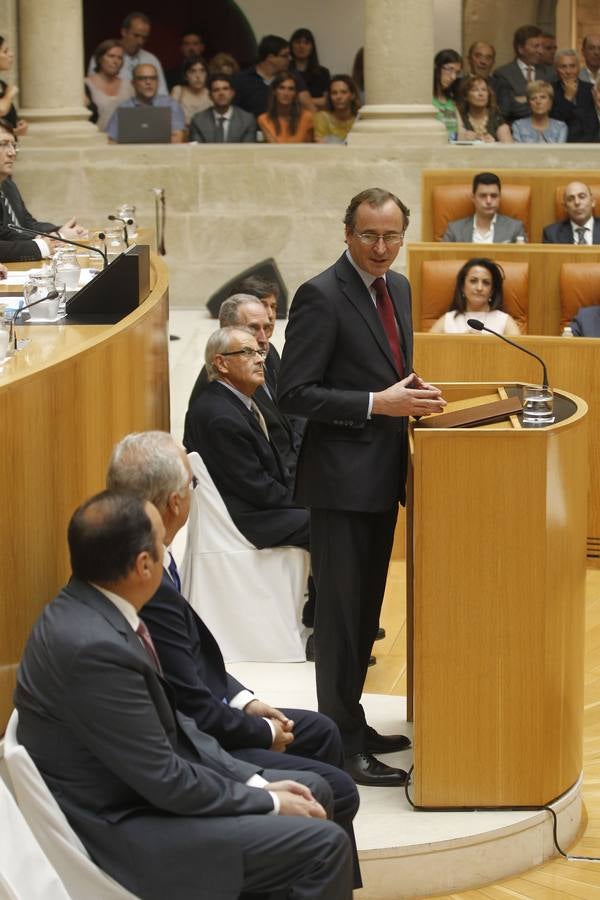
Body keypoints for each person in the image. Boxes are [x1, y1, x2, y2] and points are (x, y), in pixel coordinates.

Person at [15, 490, 353, 900]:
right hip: (125, 831)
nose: (167, 549)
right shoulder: (94, 650)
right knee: (321, 845)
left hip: (137, 797)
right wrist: (266, 801)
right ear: (143, 565)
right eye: (161, 544)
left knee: (313, 794)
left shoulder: (92, 612)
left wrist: (256, 784)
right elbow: (165, 778)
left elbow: (177, 732)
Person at [106, 429, 362, 889]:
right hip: (201, 740)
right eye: (193, 486)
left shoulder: (148, 558)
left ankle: (328, 883)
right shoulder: (143, 580)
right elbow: (189, 708)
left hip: (210, 718)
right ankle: (316, 870)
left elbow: (192, 663)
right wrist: (261, 733)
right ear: (174, 504)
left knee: (322, 731)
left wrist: (245, 701)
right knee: (334, 787)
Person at [277, 188, 446, 785]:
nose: (381, 248)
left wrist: (412, 392)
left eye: (392, 236)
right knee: (341, 624)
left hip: (382, 477)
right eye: (370, 236)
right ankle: (339, 748)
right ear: (346, 233)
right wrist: (381, 402)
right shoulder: (320, 295)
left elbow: (385, 364)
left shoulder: (397, 287)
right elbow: (294, 392)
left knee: (365, 611)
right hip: (340, 484)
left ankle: (353, 724)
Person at [184, 326, 310, 550]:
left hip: (258, 506)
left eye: (259, 353)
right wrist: (305, 501)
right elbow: (257, 487)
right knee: (327, 524)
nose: (260, 360)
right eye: (247, 352)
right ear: (221, 363)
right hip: (246, 519)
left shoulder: (235, 401)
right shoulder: (220, 417)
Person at [188, 295, 302, 480]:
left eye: (267, 327)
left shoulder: (268, 353)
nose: (263, 339)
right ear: (227, 330)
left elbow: (292, 404)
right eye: (253, 328)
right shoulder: (221, 384)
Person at [0, 119, 87, 257]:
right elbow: (4, 236)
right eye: (4, 145)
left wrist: (58, 231)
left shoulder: (8, 185)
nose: (12, 153)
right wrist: (57, 238)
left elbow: (27, 224)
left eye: (13, 145)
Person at [430, 258, 520, 335]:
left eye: (486, 283)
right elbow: (425, 350)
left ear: (492, 291)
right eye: (473, 281)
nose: (479, 288)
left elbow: (519, 354)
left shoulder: (505, 321)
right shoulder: (448, 320)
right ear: (462, 287)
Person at [233, 34, 313, 119]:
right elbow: (233, 112)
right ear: (270, 58)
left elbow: (308, 105)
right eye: (285, 56)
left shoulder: (292, 76)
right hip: (253, 129)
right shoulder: (242, 80)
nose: (290, 58)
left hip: (288, 128)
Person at [87, 11, 167, 95]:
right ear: (124, 32)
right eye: (136, 35)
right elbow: (92, 90)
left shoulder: (151, 60)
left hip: (147, 108)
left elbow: (162, 94)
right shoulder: (103, 55)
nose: (140, 42)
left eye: (144, 38)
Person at [106, 63, 185, 143]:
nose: (148, 82)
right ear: (133, 83)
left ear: (158, 82)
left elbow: (177, 139)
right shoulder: (123, 108)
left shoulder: (171, 105)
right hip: (131, 154)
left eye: (153, 78)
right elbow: (110, 140)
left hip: (162, 154)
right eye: (142, 78)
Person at [494, 24, 556, 123]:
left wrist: (523, 99)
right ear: (521, 49)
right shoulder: (503, 74)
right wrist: (541, 105)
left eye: (541, 46)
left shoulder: (550, 73)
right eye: (536, 46)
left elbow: (554, 108)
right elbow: (507, 110)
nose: (540, 51)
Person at [442, 171, 527, 243]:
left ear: (499, 198)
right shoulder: (454, 229)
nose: (488, 201)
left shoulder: (515, 228)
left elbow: (524, 260)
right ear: (473, 198)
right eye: (483, 196)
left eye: (494, 196)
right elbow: (444, 259)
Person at [188, 74, 256, 143]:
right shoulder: (198, 120)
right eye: (216, 90)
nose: (221, 93)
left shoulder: (247, 120)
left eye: (225, 89)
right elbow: (196, 151)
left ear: (232, 93)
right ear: (210, 96)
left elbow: (248, 151)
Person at [550, 48, 599, 142]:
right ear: (556, 69)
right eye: (563, 67)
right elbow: (554, 122)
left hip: (590, 143)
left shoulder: (591, 89)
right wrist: (568, 98)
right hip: (562, 143)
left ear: (579, 67)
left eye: (572, 66)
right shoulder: (550, 90)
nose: (568, 71)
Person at [84, 39, 134, 132]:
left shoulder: (128, 86)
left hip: (124, 141)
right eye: (111, 56)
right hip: (97, 140)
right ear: (100, 58)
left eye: (120, 58)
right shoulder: (85, 85)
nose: (115, 61)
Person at [258, 72, 314, 143]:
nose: (286, 93)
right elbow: (274, 148)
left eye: (291, 89)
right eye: (281, 88)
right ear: (274, 91)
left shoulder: (307, 117)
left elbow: (308, 148)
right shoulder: (264, 119)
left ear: (295, 93)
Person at [457, 74, 512, 141]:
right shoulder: (459, 118)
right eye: (475, 90)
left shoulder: (497, 120)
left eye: (484, 90)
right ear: (465, 96)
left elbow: (508, 149)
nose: (481, 94)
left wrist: (494, 144)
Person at [289, 28, 330, 110]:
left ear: (312, 47)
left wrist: (300, 100)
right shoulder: (285, 71)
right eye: (298, 42)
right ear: (291, 46)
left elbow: (326, 101)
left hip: (316, 117)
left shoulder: (323, 72)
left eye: (306, 43)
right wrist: (317, 101)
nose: (301, 46)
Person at [314, 74, 360, 143]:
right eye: (334, 93)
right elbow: (320, 144)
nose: (338, 97)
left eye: (343, 92)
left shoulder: (359, 120)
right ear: (330, 97)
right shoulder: (322, 117)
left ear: (352, 95)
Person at [170, 55, 211, 127]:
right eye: (193, 71)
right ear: (186, 76)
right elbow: (170, 120)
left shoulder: (211, 93)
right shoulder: (178, 91)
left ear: (206, 74)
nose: (198, 76)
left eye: (202, 71)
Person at [432, 48, 462, 140]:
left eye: (457, 72)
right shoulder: (426, 100)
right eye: (449, 69)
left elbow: (460, 129)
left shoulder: (451, 99)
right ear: (437, 67)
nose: (453, 77)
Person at [0, 36, 26, 135]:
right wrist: (9, 95)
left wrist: (17, 125)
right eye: (5, 51)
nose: (11, 54)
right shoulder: (8, 90)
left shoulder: (3, 85)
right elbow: (1, 109)